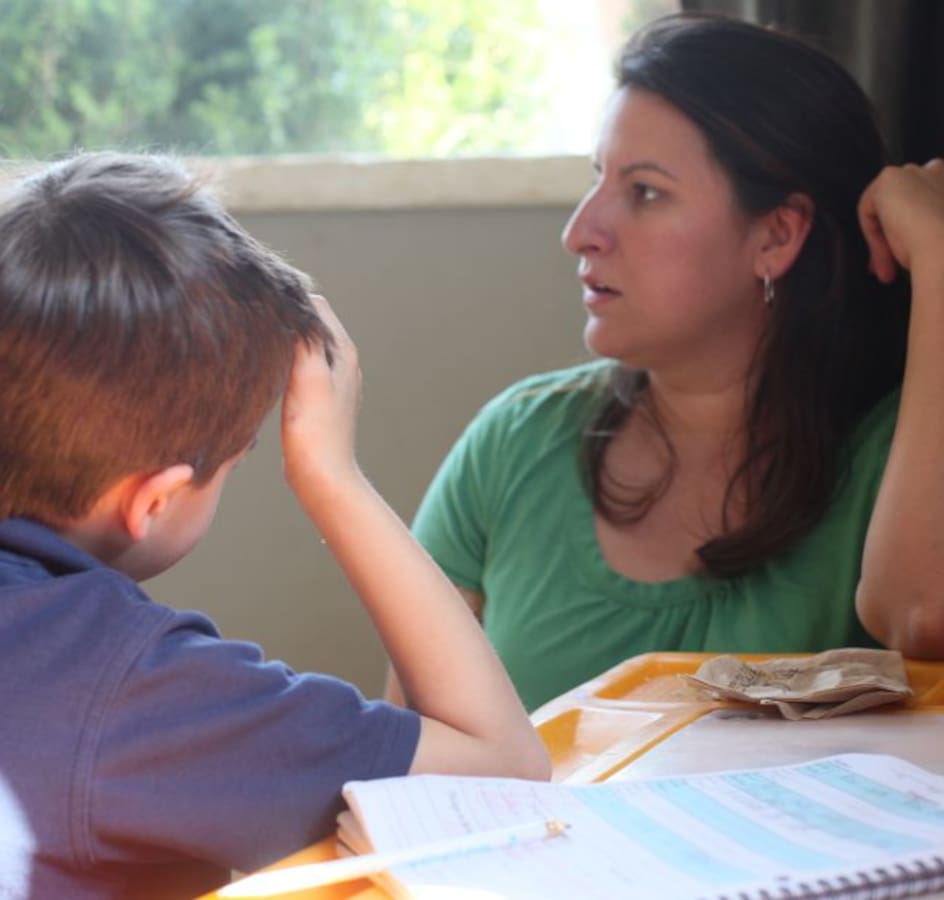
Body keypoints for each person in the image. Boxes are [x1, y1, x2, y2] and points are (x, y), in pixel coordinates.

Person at [404, 13, 944, 712]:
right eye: (597, 180)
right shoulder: (514, 441)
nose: (580, 233)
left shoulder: (896, 455)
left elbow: (936, 617)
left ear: (777, 236)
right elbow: (407, 756)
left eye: (644, 192)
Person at [0, 152, 549, 900]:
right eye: (235, 462)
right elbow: (504, 770)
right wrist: (332, 477)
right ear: (153, 501)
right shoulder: (129, 691)